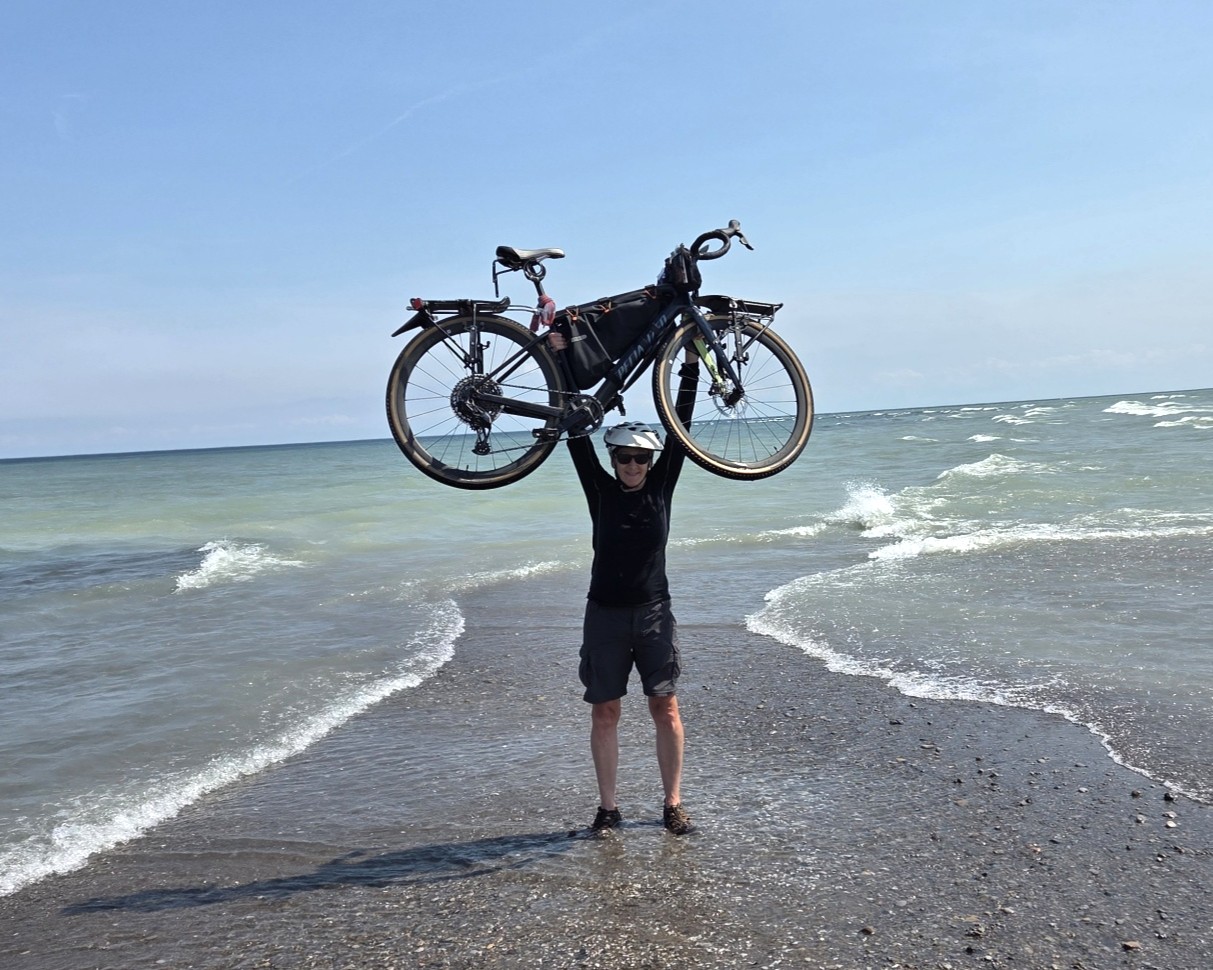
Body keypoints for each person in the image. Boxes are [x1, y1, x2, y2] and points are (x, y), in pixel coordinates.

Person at [549, 331, 700, 835]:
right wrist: (559, 362)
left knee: (666, 706)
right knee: (606, 711)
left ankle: (672, 804)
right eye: (623, 458)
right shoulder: (599, 488)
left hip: (654, 612)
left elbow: (683, 426)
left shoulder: (662, 486)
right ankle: (608, 808)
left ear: (651, 463)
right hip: (605, 614)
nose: (632, 466)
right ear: (611, 458)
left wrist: (690, 365)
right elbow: (572, 428)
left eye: (641, 459)